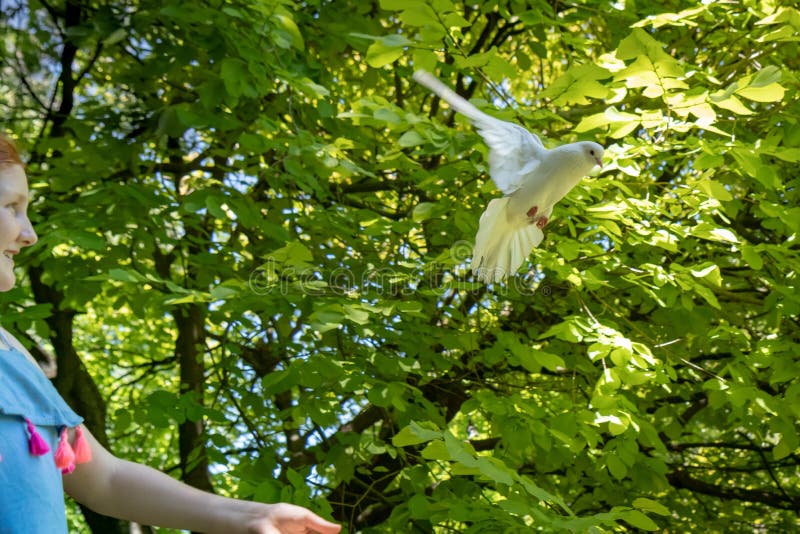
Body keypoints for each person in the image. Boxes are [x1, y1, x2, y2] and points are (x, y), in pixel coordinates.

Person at [0, 134, 342, 534]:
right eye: (12, 207)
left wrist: (253, 516)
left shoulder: (11, 351)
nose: (29, 234)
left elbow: (107, 480)